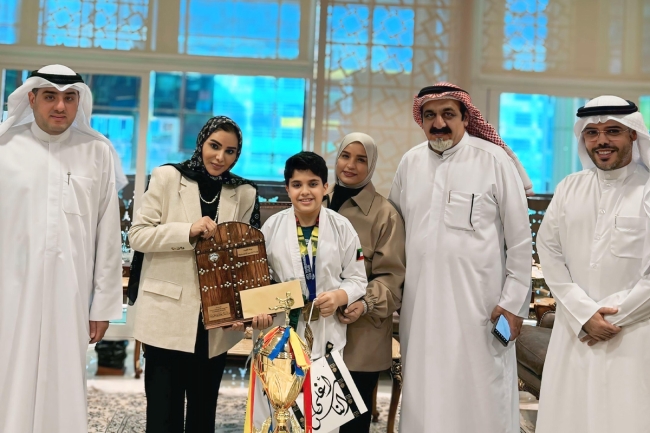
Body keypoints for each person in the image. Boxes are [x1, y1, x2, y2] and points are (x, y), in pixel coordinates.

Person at [389, 82, 533, 432]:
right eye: (430, 115)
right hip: (421, 307)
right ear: (421, 120)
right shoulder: (410, 163)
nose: (439, 123)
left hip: (480, 308)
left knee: (481, 392)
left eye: (448, 114)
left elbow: (520, 240)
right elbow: (395, 232)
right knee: (424, 391)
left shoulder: (493, 160)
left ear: (466, 117)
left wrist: (514, 304)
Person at [0, 64, 124, 432]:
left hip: (70, 295)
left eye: (69, 98)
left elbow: (107, 235)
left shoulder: (97, 151)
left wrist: (103, 305)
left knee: (63, 381)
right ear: (31, 98)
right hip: (10, 292)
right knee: (9, 375)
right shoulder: (5, 147)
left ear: (79, 102)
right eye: (50, 96)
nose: (60, 106)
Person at [129, 116, 272, 433]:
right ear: (201, 143)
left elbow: (244, 259)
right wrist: (187, 231)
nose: (220, 157)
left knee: (202, 415)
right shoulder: (168, 177)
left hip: (215, 321)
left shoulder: (243, 192)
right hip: (167, 312)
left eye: (230, 151)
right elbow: (138, 236)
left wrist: (242, 309)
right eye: (214, 146)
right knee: (163, 415)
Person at [536, 96, 650, 433]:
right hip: (575, 330)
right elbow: (549, 251)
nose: (601, 141)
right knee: (568, 418)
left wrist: (614, 318)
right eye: (592, 133)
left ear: (633, 134)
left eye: (613, 131)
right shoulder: (570, 187)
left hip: (635, 333)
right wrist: (584, 313)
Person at [253, 151, 368, 431]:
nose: (305, 191)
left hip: (326, 331)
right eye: (297, 184)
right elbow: (260, 280)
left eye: (313, 184)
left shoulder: (342, 228)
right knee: (278, 413)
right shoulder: (272, 227)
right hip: (280, 332)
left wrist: (339, 297)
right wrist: (259, 308)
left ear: (325, 187)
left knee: (322, 418)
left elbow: (357, 279)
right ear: (287, 189)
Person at [325, 133, 405, 433]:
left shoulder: (385, 214)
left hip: (360, 338)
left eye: (361, 160)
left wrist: (363, 303)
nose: (351, 165)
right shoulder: (317, 201)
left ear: (371, 166)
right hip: (315, 334)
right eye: (345, 156)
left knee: (351, 426)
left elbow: (392, 277)